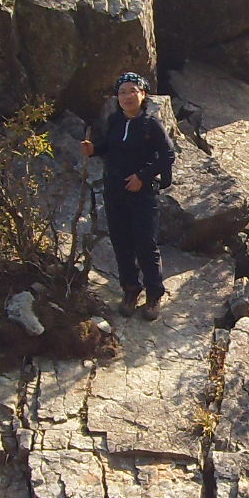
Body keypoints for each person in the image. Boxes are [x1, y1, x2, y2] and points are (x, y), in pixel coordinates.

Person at [82, 72, 174, 319]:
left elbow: (168, 155)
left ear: (143, 95)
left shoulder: (151, 124)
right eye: (122, 92)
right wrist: (94, 150)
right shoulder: (114, 121)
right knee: (121, 243)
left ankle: (154, 295)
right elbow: (109, 148)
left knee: (145, 244)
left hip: (142, 193)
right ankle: (131, 289)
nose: (127, 96)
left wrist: (142, 177)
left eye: (132, 91)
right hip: (114, 191)